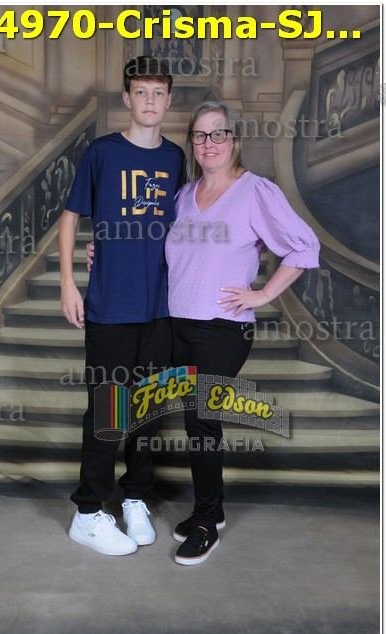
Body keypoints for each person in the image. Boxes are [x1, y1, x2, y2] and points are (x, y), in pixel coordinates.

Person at [87, 100, 320, 566]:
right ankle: (188, 507)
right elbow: (150, 241)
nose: (208, 143)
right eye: (199, 135)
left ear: (234, 140)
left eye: (218, 134)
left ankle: (207, 521)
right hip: (175, 325)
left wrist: (262, 294)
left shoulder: (256, 191)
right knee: (151, 407)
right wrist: (103, 250)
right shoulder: (183, 195)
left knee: (201, 420)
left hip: (223, 330)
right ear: (192, 143)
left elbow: (303, 246)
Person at [59, 56, 184, 556]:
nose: (150, 100)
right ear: (127, 99)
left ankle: (134, 498)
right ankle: (88, 511)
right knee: (110, 410)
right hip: (110, 306)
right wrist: (68, 282)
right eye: (141, 92)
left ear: (169, 100)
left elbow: (185, 226)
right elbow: (71, 217)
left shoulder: (175, 158)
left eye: (158, 92)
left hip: (161, 308)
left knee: (149, 411)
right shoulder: (103, 153)